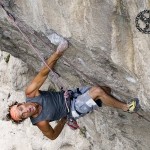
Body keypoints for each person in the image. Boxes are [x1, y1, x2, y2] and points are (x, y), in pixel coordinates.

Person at [6, 40, 139, 140]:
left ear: (21, 104)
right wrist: (64, 120)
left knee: (106, 90)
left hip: (71, 95)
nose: (26, 111)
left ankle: (98, 100)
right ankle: (126, 108)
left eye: (21, 109)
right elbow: (52, 136)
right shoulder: (40, 122)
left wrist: (58, 53)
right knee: (98, 91)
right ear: (26, 118)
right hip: (72, 110)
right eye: (23, 115)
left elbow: (43, 72)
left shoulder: (31, 93)